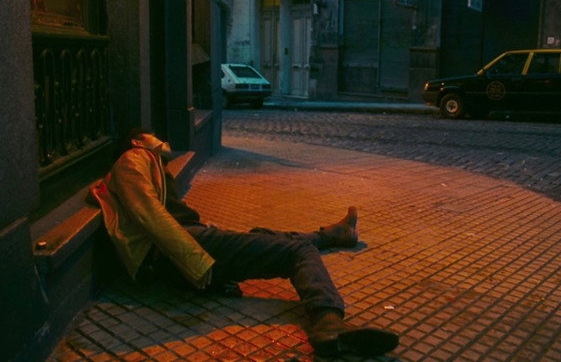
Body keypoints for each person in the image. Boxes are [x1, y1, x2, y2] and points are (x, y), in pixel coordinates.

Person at [90, 128, 399, 357]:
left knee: (261, 235)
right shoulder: (134, 158)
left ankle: (333, 234)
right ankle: (328, 322)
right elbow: (149, 214)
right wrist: (195, 261)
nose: (160, 139)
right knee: (297, 251)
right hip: (179, 248)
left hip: (185, 242)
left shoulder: (152, 164)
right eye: (152, 135)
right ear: (138, 140)